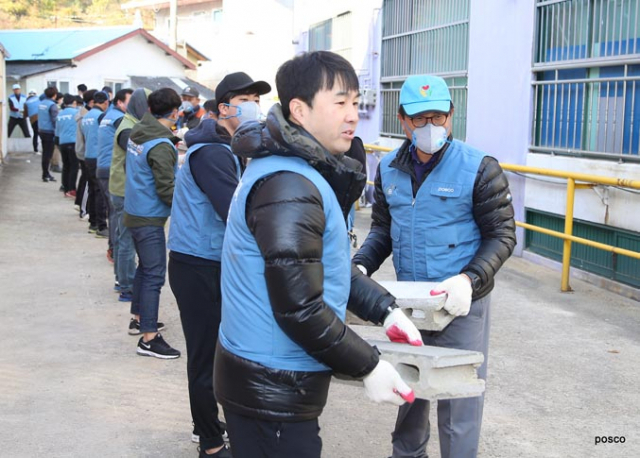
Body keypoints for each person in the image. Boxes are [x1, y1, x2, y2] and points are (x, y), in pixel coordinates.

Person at [214, 52, 423, 458]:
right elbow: (299, 306)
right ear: (300, 110)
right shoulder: (289, 184)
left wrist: (384, 309)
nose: (353, 115)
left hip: (271, 378)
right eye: (339, 102)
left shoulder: (294, 168)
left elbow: (316, 265)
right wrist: (369, 364)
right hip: (271, 387)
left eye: (355, 102)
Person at [353, 75, 517, 458]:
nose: (430, 127)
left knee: (458, 396)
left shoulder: (479, 168)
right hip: (411, 300)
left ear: (451, 116)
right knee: (410, 383)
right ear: (402, 121)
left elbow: (502, 235)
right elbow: (383, 229)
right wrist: (360, 267)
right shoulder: (390, 168)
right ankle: (408, 453)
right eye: (419, 119)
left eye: (438, 117)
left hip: (461, 302)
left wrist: (469, 279)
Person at [167, 71, 271, 458]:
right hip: (198, 265)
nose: (252, 106)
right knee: (206, 354)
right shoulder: (213, 151)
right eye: (245, 99)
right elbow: (234, 212)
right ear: (224, 107)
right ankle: (210, 443)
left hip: (205, 261)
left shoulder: (224, 146)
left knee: (215, 351)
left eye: (256, 99)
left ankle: (207, 423)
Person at [124, 87, 182, 359]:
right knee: (155, 274)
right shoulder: (161, 145)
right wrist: (187, 211)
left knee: (145, 269)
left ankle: (138, 318)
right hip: (149, 218)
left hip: (134, 210)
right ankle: (149, 338)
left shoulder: (138, 132)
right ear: (174, 113)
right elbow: (166, 189)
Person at [110, 88, 150, 304]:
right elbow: (140, 153)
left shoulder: (131, 124)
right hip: (124, 190)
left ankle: (121, 280)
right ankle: (126, 285)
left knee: (121, 237)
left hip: (121, 188)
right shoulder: (128, 129)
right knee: (126, 240)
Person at [97, 88, 133, 263]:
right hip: (111, 168)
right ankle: (114, 250)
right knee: (115, 213)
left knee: (112, 211)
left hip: (102, 165)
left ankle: (113, 248)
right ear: (120, 102)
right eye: (130, 101)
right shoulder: (121, 120)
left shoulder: (107, 115)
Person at [81, 91, 110, 237]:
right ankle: (101, 226)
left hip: (88, 156)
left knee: (92, 190)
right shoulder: (101, 116)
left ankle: (92, 222)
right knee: (100, 192)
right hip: (99, 157)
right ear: (105, 102)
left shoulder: (86, 116)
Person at [75, 90, 97, 219]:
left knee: (86, 180)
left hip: (85, 151)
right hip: (85, 152)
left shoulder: (86, 114)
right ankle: (84, 210)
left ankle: (82, 205)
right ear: (92, 102)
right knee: (87, 182)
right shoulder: (85, 116)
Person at [55, 94, 80, 196]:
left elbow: (57, 131)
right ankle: (72, 189)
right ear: (74, 103)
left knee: (66, 166)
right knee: (74, 166)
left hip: (62, 142)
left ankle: (65, 188)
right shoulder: (77, 113)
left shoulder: (60, 114)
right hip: (73, 142)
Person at [38, 86, 59, 182]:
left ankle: (45, 173)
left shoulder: (41, 103)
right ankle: (45, 174)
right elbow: (54, 120)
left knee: (45, 153)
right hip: (49, 132)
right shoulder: (52, 105)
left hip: (41, 130)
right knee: (48, 154)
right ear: (54, 95)